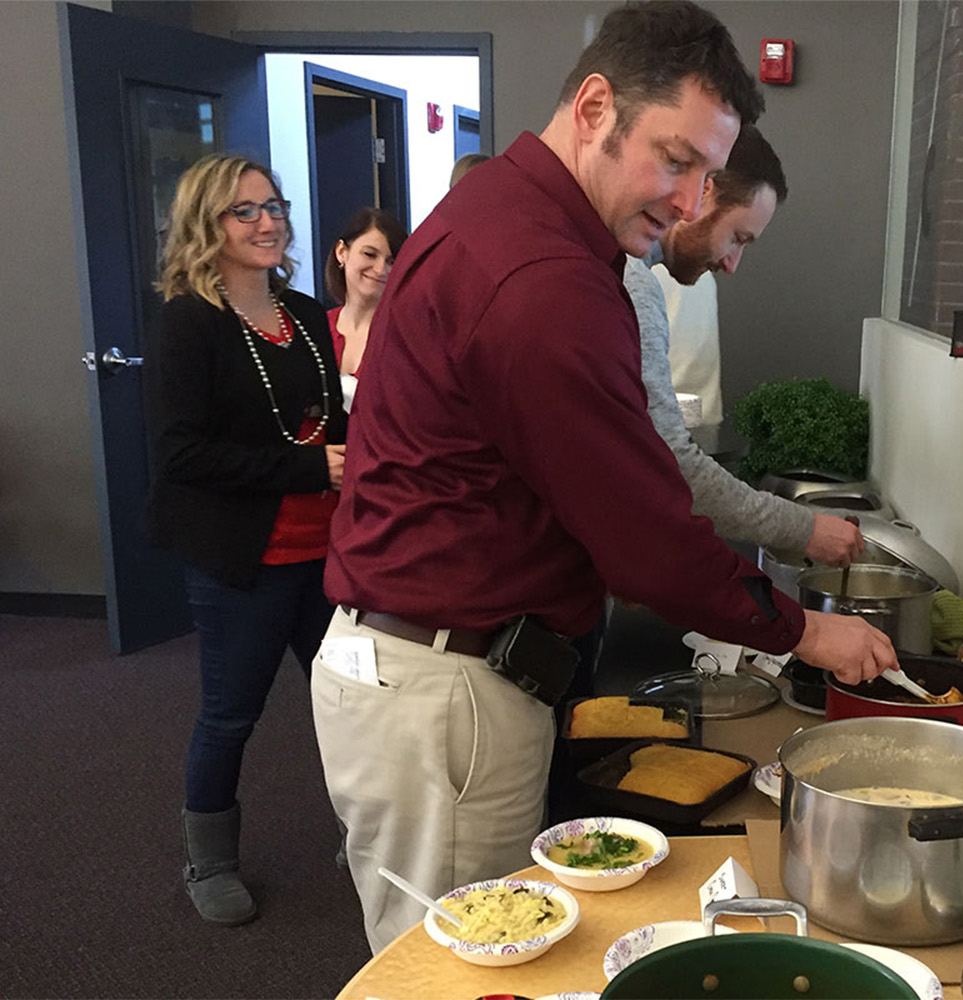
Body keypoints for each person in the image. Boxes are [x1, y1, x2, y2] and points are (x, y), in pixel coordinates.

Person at [312, 0, 896, 952]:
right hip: (445, 687)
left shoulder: (508, 213)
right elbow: (646, 535)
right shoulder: (540, 277)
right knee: (468, 975)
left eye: (707, 172)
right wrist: (803, 629)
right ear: (593, 109)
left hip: (428, 671)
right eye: (675, 160)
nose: (689, 199)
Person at [143, 154, 346, 926]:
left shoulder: (301, 313)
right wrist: (306, 467)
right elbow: (180, 454)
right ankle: (210, 859)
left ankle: (362, 834)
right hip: (246, 559)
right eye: (245, 212)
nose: (269, 223)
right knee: (231, 714)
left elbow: (333, 422)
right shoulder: (187, 321)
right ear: (207, 224)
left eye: (274, 206)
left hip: (328, 552)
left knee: (347, 708)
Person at [624, 123, 863, 564]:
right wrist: (805, 530)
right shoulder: (632, 281)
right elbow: (670, 462)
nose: (732, 264)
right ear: (705, 194)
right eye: (737, 237)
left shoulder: (626, 269)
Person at [323, 207, 407, 411]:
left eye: (391, 261)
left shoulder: (405, 336)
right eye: (370, 254)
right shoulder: (314, 326)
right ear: (342, 252)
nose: (381, 269)